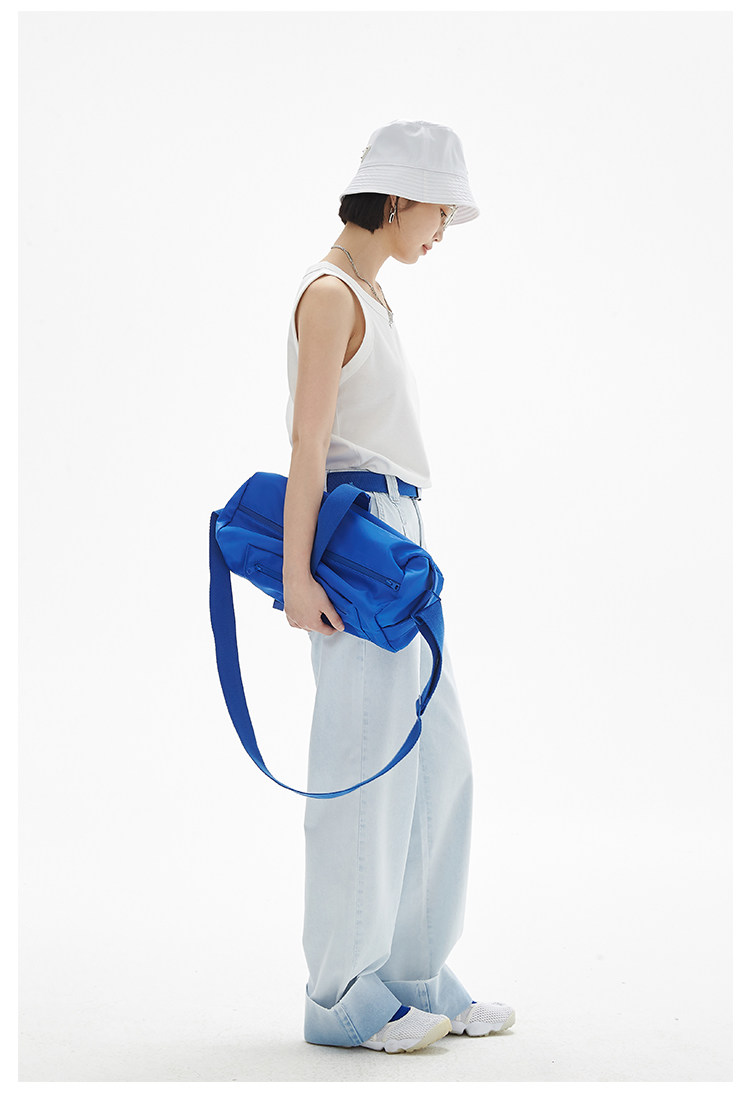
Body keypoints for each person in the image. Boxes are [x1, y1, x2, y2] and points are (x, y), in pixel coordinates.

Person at [281, 119, 516, 1054]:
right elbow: (307, 444)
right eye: (439, 213)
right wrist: (297, 576)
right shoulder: (330, 294)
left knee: (437, 760)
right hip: (356, 541)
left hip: (401, 536)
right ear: (397, 197)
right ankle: (341, 995)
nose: (442, 231)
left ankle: (414, 974)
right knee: (363, 766)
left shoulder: (373, 296)